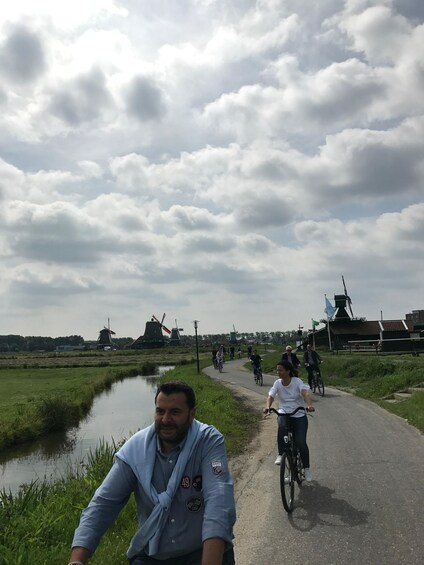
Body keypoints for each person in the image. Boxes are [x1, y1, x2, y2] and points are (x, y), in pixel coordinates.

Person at [68, 381, 236, 565]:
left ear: (192, 414)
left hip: (201, 550)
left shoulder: (208, 441)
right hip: (154, 555)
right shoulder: (135, 449)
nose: (166, 419)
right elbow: (103, 503)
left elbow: (218, 499)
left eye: (175, 412)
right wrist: (77, 561)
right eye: (160, 411)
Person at [263, 360, 315, 482]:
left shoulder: (297, 382)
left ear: (288, 371)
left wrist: (309, 405)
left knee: (301, 442)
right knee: (281, 426)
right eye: (277, 370)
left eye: (280, 370)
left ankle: (306, 468)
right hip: (284, 412)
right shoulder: (277, 383)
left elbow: (304, 393)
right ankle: (281, 454)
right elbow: (270, 396)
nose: (278, 372)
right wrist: (267, 407)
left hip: (299, 414)